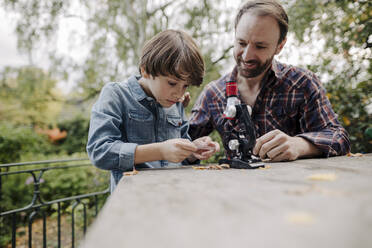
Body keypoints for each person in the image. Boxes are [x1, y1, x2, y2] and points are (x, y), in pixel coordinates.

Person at [189, 0, 350, 162]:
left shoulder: (302, 84)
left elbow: (339, 138)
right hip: (235, 185)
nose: (246, 56)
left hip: (294, 185)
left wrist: (299, 145)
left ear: (280, 46)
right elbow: (182, 145)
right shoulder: (213, 93)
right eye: (241, 43)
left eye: (260, 46)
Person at [87, 29, 220, 192]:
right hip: (132, 203)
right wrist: (160, 151)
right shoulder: (115, 95)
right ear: (145, 71)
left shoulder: (175, 102)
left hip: (174, 196)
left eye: (185, 85)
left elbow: (181, 157)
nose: (179, 93)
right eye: (172, 83)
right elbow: (100, 151)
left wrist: (193, 152)